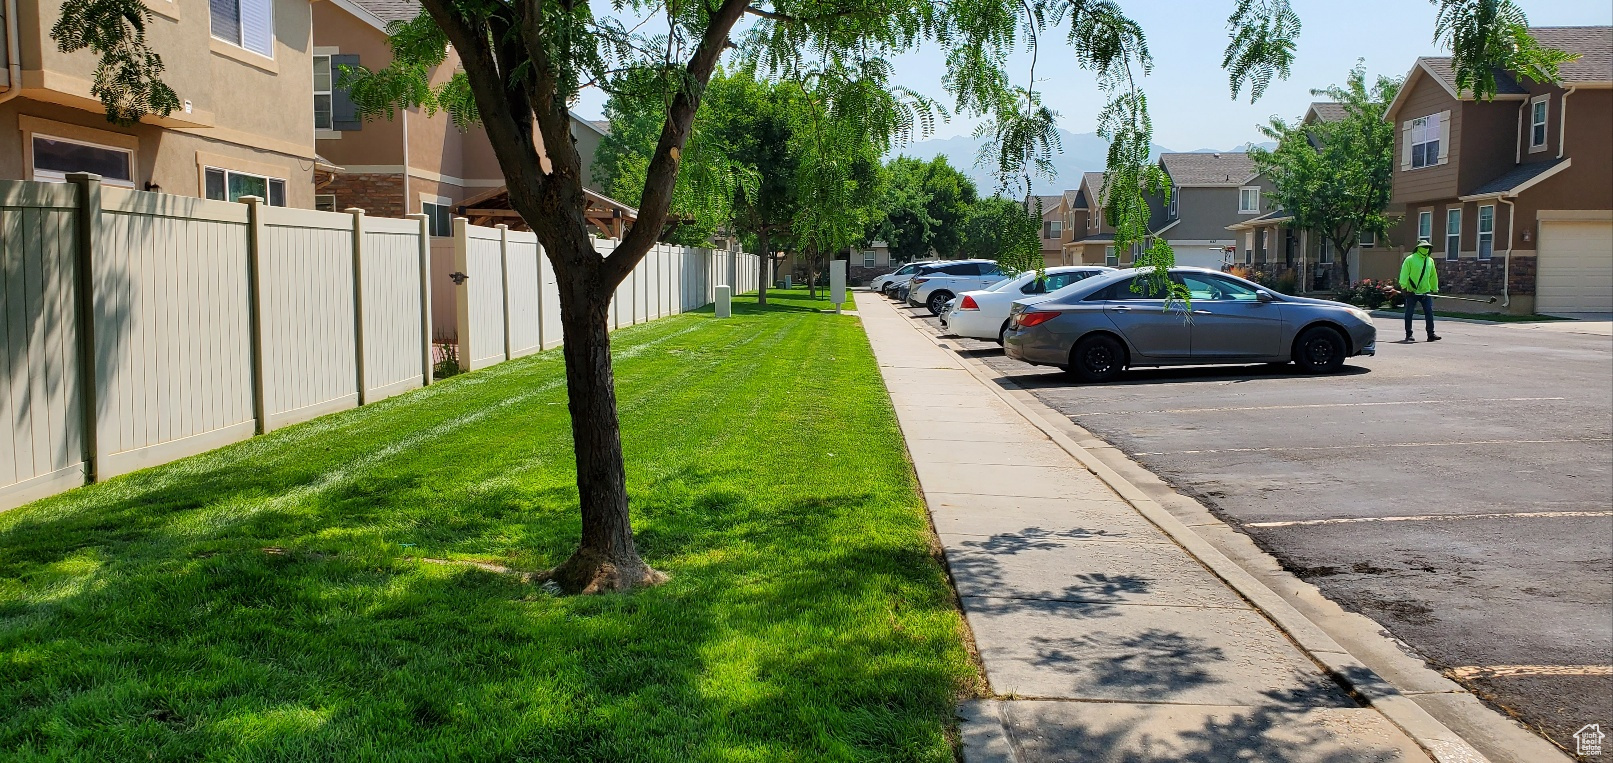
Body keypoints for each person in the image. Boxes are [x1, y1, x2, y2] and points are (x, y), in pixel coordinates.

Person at [1398, 240, 1441, 342]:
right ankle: (1409, 334)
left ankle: (1431, 334)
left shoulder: (1430, 261)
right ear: (1418, 248)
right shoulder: (1410, 259)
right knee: (1409, 312)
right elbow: (1404, 274)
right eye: (1424, 247)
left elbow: (1433, 276)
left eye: (1427, 247)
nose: (1426, 249)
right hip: (1412, 292)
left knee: (1429, 312)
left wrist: (1435, 289)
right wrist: (1404, 287)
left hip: (1425, 291)